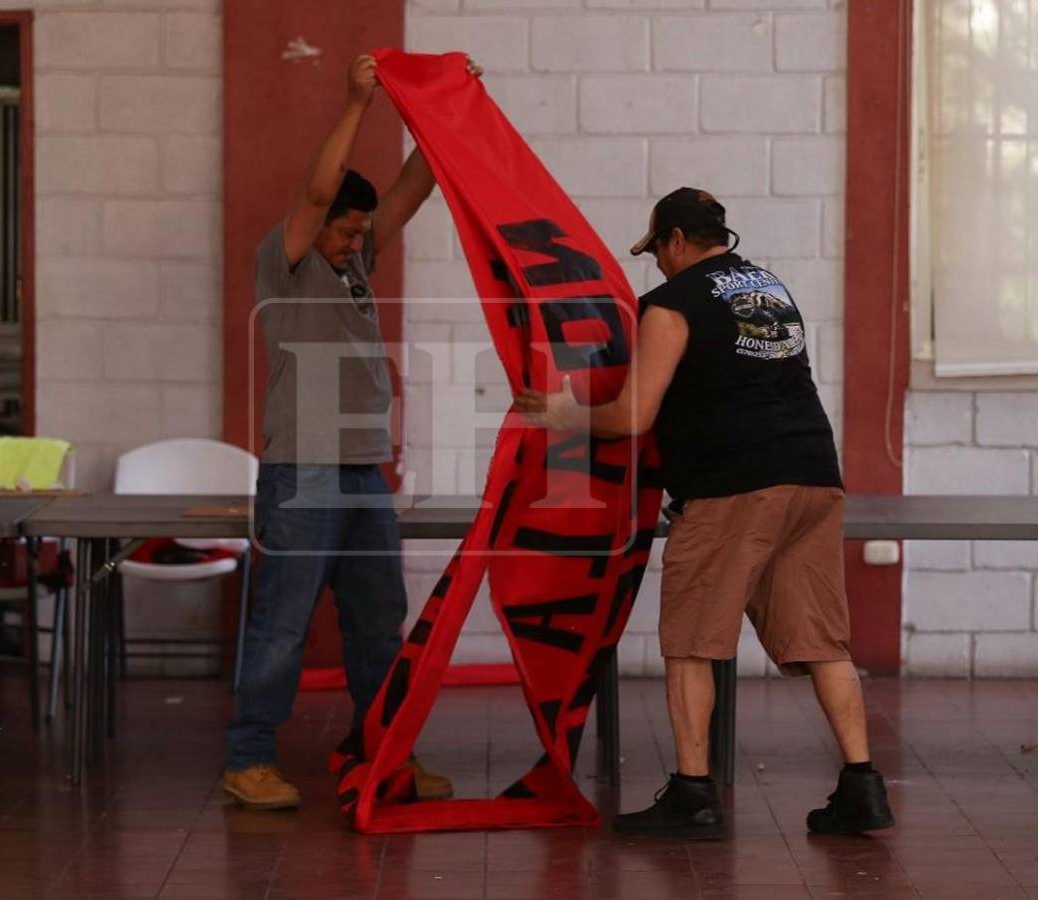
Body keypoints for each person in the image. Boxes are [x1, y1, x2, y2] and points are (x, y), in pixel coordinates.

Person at [515, 187, 895, 839]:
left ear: (677, 242)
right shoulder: (771, 288)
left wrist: (563, 415)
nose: (657, 265)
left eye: (657, 251)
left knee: (692, 639)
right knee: (821, 640)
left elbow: (635, 415)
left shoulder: (672, 303)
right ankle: (863, 785)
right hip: (813, 478)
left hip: (734, 487)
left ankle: (693, 794)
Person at [223, 54, 476, 811]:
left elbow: (414, 185)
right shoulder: (289, 260)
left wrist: (449, 104)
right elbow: (317, 187)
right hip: (303, 470)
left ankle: (382, 750)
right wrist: (356, 102)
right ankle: (248, 758)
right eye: (345, 231)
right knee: (282, 626)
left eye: (361, 233)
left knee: (377, 624)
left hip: (364, 471)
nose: (354, 242)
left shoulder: (356, 258)